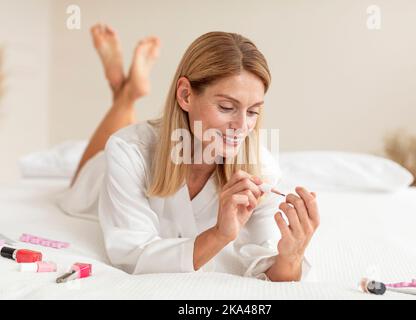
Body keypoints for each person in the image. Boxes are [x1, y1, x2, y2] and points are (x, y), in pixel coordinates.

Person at [58, 24, 320, 282]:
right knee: (83, 174)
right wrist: (218, 235)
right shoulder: (128, 151)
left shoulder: (261, 169)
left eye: (253, 111)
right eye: (227, 107)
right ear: (185, 95)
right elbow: (131, 255)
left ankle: (124, 91)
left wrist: (290, 257)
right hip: (98, 177)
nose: (242, 127)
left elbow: (271, 270)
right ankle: (124, 96)